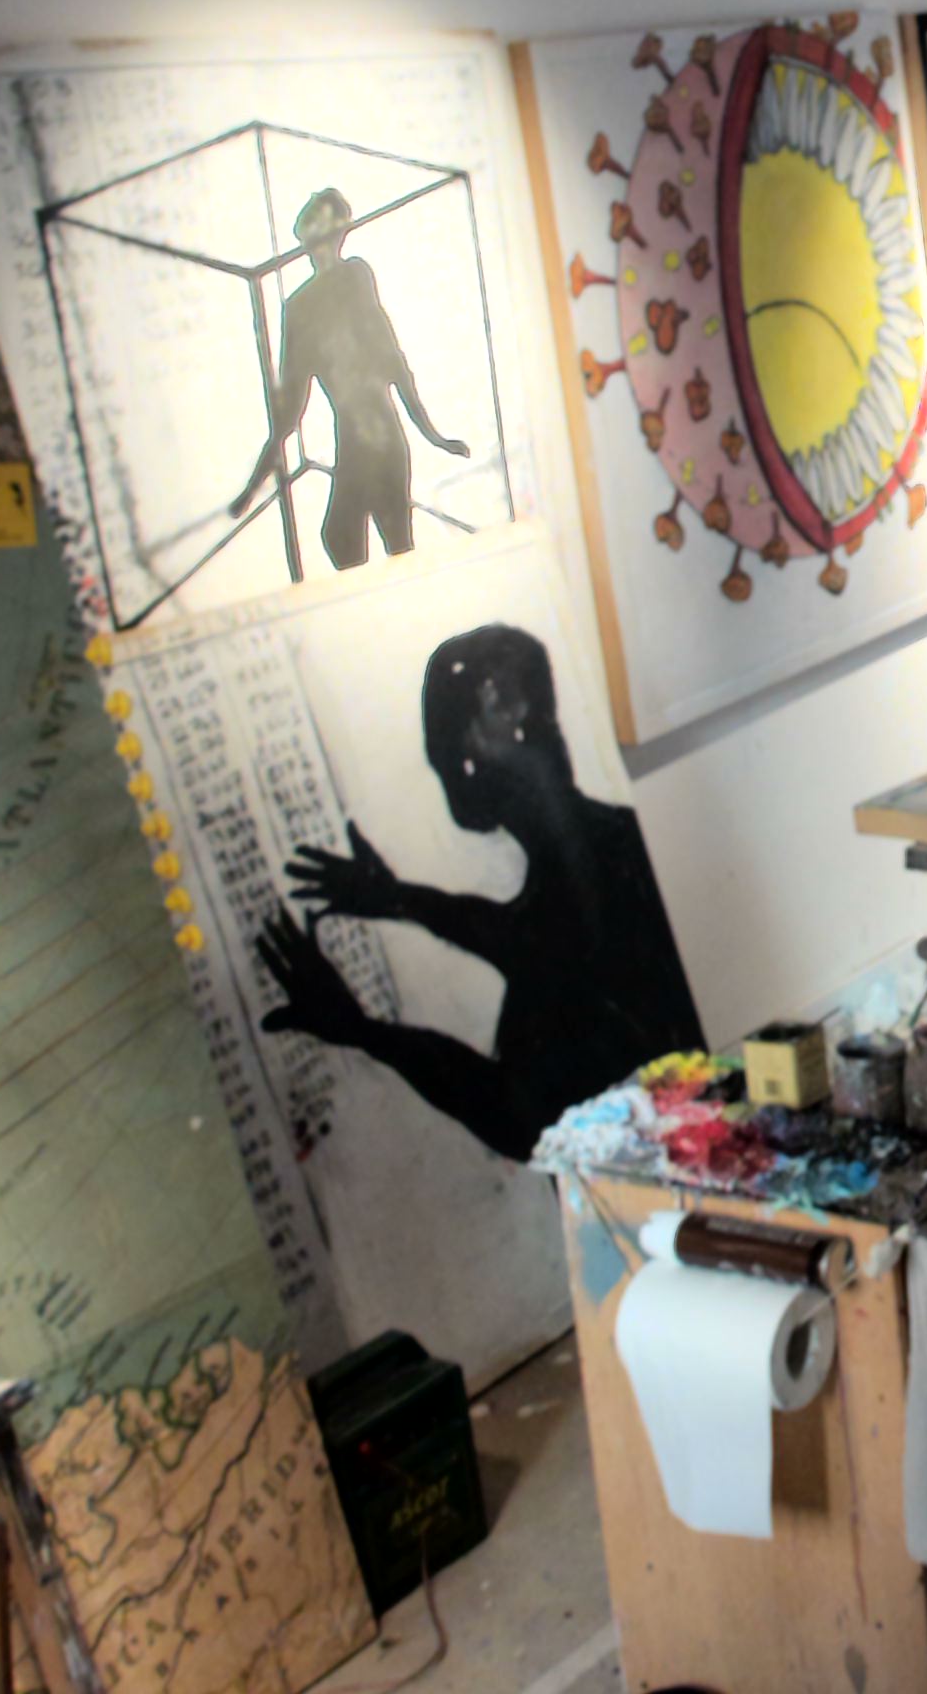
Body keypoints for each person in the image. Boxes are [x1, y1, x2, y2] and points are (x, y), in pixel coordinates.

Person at [253, 622, 702, 1162]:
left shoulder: (602, 868)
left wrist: (364, 1026)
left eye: (457, 742)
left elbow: (521, 1114)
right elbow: (526, 935)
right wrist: (396, 903)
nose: (455, 768)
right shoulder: (616, 847)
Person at [232, 186, 470, 573]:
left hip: (379, 435)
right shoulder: (299, 308)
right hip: (357, 439)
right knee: (346, 537)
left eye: (331, 223)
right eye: (316, 223)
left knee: (381, 540)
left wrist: (434, 436)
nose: (324, 233)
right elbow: (289, 411)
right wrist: (252, 486)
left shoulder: (353, 277)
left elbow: (394, 361)